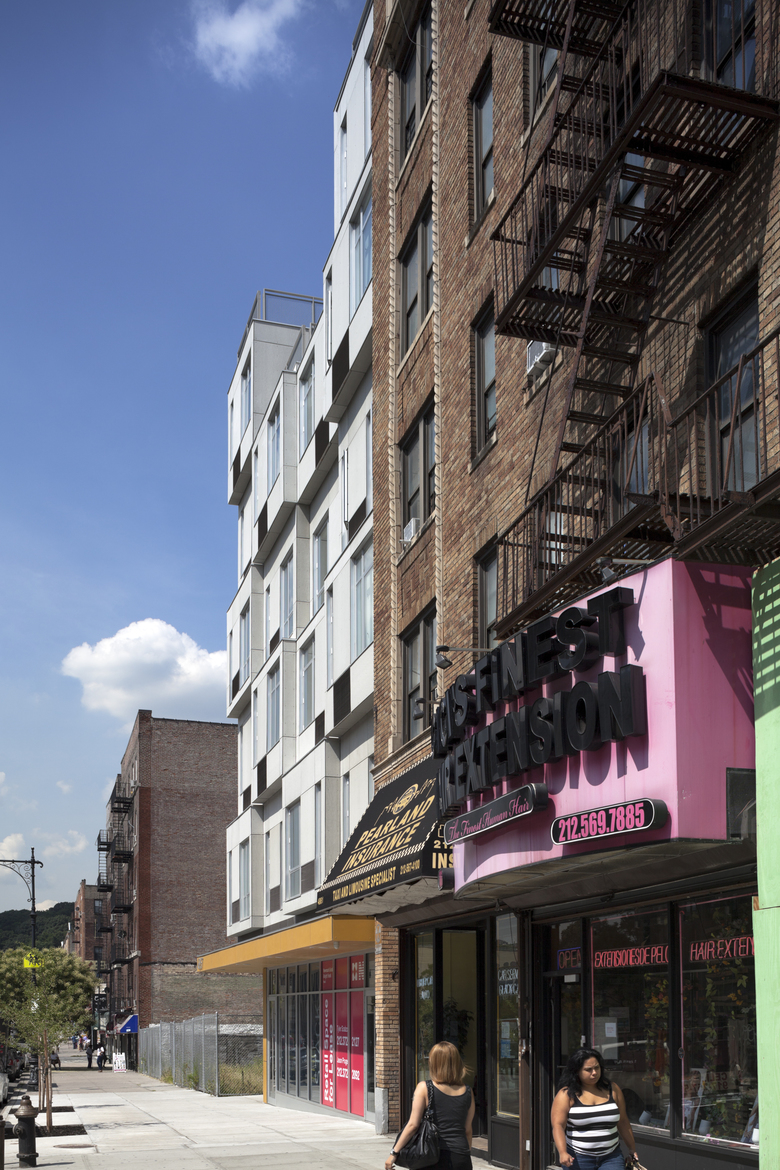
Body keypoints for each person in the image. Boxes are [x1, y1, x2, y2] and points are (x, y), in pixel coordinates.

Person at [387, 1041, 474, 1170]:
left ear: (434, 1063)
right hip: (461, 1157)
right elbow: (467, 1130)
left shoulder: (425, 1088)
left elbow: (413, 1125)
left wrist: (394, 1153)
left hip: (431, 1156)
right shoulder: (467, 1091)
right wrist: (465, 1153)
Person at [551, 1048, 640, 1170]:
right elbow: (558, 1126)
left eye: (597, 1068)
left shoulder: (613, 1089)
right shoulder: (566, 1094)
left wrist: (632, 1149)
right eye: (588, 1069)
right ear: (576, 1071)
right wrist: (562, 1152)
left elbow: (623, 1121)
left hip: (611, 1157)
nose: (594, 1073)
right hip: (578, 1158)